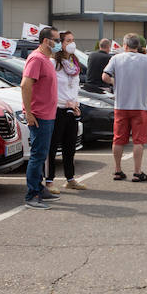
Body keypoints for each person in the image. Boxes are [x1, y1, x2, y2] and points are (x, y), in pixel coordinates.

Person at [103, 34, 147, 182]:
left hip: (120, 105)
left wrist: (115, 81)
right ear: (138, 46)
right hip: (139, 105)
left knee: (118, 139)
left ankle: (117, 170)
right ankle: (137, 171)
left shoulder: (116, 58)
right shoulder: (146, 60)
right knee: (138, 141)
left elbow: (105, 76)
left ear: (125, 45)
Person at [20, 27, 62, 210]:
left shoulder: (46, 59)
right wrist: (29, 113)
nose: (59, 43)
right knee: (37, 155)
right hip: (40, 115)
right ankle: (32, 195)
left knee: (41, 154)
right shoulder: (37, 58)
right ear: (46, 41)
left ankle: (39, 188)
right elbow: (25, 85)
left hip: (47, 114)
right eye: (57, 39)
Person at [45, 30, 86, 195]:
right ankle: (49, 181)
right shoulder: (52, 63)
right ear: (60, 43)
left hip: (72, 110)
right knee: (53, 147)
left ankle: (70, 179)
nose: (72, 43)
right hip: (57, 109)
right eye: (68, 40)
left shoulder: (73, 62)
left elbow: (74, 87)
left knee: (70, 146)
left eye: (73, 40)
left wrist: (76, 104)